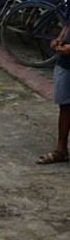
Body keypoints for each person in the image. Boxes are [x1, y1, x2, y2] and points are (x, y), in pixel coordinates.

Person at [39, 20, 70, 164]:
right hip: (65, 62)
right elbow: (68, 23)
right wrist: (60, 39)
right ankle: (61, 149)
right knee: (65, 106)